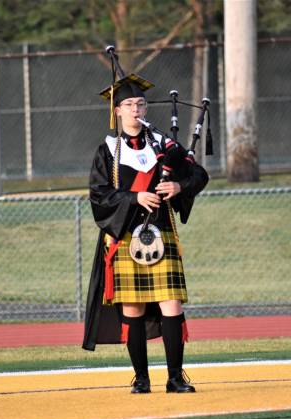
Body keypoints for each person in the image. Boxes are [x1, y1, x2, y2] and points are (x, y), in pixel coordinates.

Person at [82, 71, 209, 394]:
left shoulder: (164, 145)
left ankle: (175, 377)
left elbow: (199, 175)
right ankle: (141, 378)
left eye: (141, 103)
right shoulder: (107, 151)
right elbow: (99, 195)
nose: (136, 108)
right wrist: (134, 197)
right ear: (117, 110)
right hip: (125, 236)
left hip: (162, 231)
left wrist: (178, 185)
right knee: (133, 309)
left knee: (172, 305)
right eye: (129, 104)